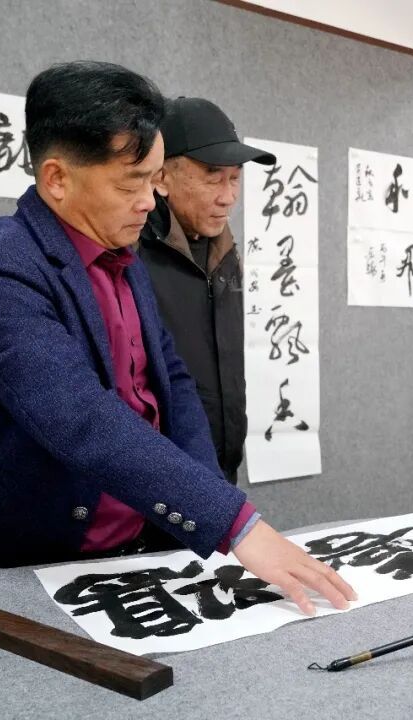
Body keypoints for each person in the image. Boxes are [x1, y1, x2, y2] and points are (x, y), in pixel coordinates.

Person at [0, 61, 353, 616]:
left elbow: (172, 385)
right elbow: (79, 415)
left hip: (140, 557)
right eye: (131, 183)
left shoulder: (126, 257)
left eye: (154, 178)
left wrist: (217, 509)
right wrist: (235, 524)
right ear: (57, 179)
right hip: (28, 569)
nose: (149, 200)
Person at [138, 98, 275, 484]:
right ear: (161, 178)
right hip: (158, 479)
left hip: (221, 471)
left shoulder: (225, 251)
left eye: (235, 178)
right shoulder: (132, 255)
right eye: (213, 177)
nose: (228, 196)